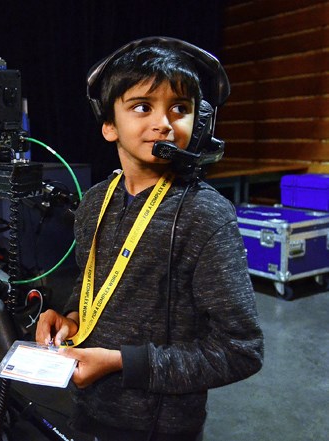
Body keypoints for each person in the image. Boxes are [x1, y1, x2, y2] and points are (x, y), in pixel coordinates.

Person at [35, 38, 263, 441]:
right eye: (142, 107)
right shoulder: (93, 203)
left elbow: (240, 350)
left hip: (161, 427)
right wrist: (69, 318)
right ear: (109, 126)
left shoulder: (204, 216)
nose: (164, 123)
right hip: (88, 410)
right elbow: (96, 288)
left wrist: (123, 363)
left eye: (180, 109)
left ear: (201, 122)